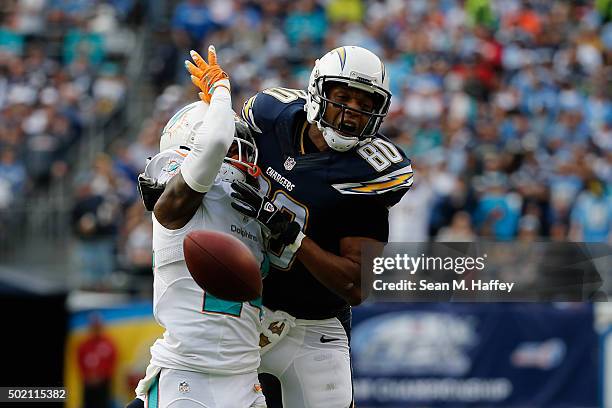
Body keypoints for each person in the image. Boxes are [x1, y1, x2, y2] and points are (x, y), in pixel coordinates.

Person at [187, 45, 413, 408]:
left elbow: (356, 286)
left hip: (315, 326)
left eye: (366, 105)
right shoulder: (270, 116)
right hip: (247, 313)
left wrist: (293, 238)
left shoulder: (367, 173)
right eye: (342, 98)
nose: (352, 115)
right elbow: (220, 155)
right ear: (317, 92)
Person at [129, 45, 267, 408]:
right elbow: (216, 141)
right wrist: (220, 89)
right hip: (186, 376)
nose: (240, 162)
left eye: (243, 152)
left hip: (245, 376)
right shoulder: (175, 205)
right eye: (232, 153)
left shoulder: (256, 212)